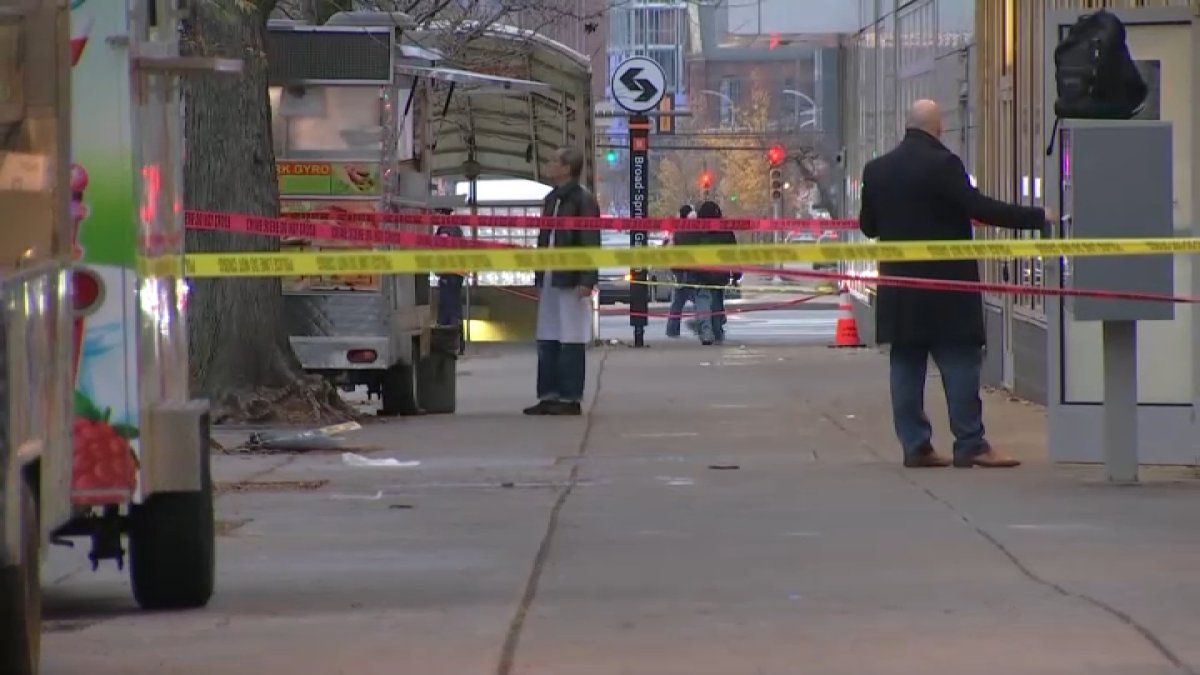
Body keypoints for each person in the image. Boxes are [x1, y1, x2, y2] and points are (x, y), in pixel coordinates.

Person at [859, 99, 1052, 469]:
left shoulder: (877, 169)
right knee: (960, 362)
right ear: (938, 127)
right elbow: (978, 207)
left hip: (900, 289)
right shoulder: (944, 164)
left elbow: (869, 226)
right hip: (948, 288)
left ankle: (916, 446)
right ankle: (970, 443)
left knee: (905, 366)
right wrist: (1036, 216)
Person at [523, 147, 601, 416]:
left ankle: (569, 398)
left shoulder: (583, 200)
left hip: (571, 279)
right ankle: (548, 394)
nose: (549, 164)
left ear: (567, 168)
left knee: (570, 335)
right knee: (547, 334)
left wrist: (587, 278)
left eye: (554, 161)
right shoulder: (551, 199)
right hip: (549, 276)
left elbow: (591, 241)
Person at [674, 200, 739, 345]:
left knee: (703, 304)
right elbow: (733, 254)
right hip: (720, 275)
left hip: (701, 274)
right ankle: (717, 332)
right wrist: (735, 275)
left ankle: (706, 332)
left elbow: (684, 246)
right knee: (716, 305)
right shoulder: (726, 231)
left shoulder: (695, 230)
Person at [665, 204, 698, 338]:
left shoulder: (677, 232)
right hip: (694, 273)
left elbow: (669, 251)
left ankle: (672, 330)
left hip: (680, 274)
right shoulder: (697, 231)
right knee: (700, 302)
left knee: (677, 305)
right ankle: (701, 326)